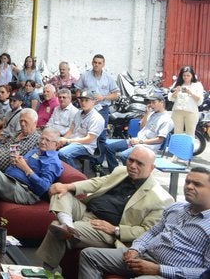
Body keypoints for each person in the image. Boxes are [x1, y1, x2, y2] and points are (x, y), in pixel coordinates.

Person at [35, 146, 173, 272]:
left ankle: (45, 271)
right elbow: (98, 182)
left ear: (152, 168)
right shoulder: (121, 171)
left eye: (139, 163)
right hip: (87, 210)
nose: (132, 166)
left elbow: (147, 231)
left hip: (106, 228)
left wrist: (115, 229)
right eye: (131, 160)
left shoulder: (160, 198)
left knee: (56, 227)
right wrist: (69, 186)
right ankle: (67, 225)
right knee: (60, 191)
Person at [79, 167, 210, 279]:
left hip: (167, 272)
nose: (189, 187)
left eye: (197, 184)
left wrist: (159, 269)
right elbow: (152, 232)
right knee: (89, 255)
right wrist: (136, 248)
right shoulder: (176, 208)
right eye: (187, 182)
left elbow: (205, 272)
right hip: (144, 255)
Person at [104, 89, 173, 173]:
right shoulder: (152, 113)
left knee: (124, 156)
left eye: (154, 102)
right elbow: (141, 127)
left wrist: (140, 142)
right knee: (109, 148)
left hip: (147, 146)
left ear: (161, 102)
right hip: (136, 141)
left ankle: (132, 175)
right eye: (150, 102)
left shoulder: (166, 119)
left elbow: (160, 140)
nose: (151, 105)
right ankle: (114, 173)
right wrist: (146, 114)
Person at [56, 90, 105, 168]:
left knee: (63, 153)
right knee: (51, 145)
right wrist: (62, 140)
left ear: (93, 101)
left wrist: (67, 141)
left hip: (85, 146)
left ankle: (75, 174)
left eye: (86, 100)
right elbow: (71, 130)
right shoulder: (78, 113)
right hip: (73, 141)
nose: (83, 103)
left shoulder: (96, 118)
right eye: (82, 100)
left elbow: (89, 139)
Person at [75, 54, 119, 128]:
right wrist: (81, 103)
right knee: (85, 130)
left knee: (102, 131)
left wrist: (103, 97)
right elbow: (78, 91)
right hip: (88, 108)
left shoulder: (108, 77)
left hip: (103, 109)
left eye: (99, 63)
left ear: (103, 64)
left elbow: (116, 95)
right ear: (92, 63)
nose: (96, 65)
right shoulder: (85, 75)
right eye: (95, 62)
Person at [168, 65, 204, 135]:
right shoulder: (177, 84)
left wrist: (190, 92)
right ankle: (177, 143)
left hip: (191, 111)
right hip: (177, 111)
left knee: (190, 133)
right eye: (184, 75)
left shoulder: (197, 85)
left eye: (188, 75)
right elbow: (170, 98)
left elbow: (199, 100)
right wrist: (176, 91)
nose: (186, 77)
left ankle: (190, 143)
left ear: (192, 76)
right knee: (177, 133)